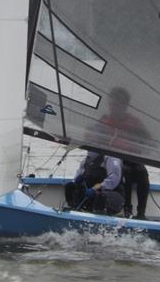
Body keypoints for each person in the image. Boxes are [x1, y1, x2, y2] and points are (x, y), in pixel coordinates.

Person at [99, 87, 150, 220]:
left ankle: (141, 213)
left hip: (131, 160)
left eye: (116, 105)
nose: (113, 107)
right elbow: (94, 140)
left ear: (124, 106)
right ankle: (127, 211)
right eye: (111, 104)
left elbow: (148, 140)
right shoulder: (104, 121)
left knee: (142, 173)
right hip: (110, 161)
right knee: (124, 172)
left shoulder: (134, 123)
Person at [64, 151, 124, 215]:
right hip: (91, 194)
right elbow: (79, 173)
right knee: (69, 186)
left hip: (113, 195)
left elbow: (113, 179)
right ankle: (73, 211)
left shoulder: (111, 158)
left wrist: (94, 189)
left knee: (101, 196)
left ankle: (99, 217)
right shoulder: (87, 159)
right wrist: (77, 179)